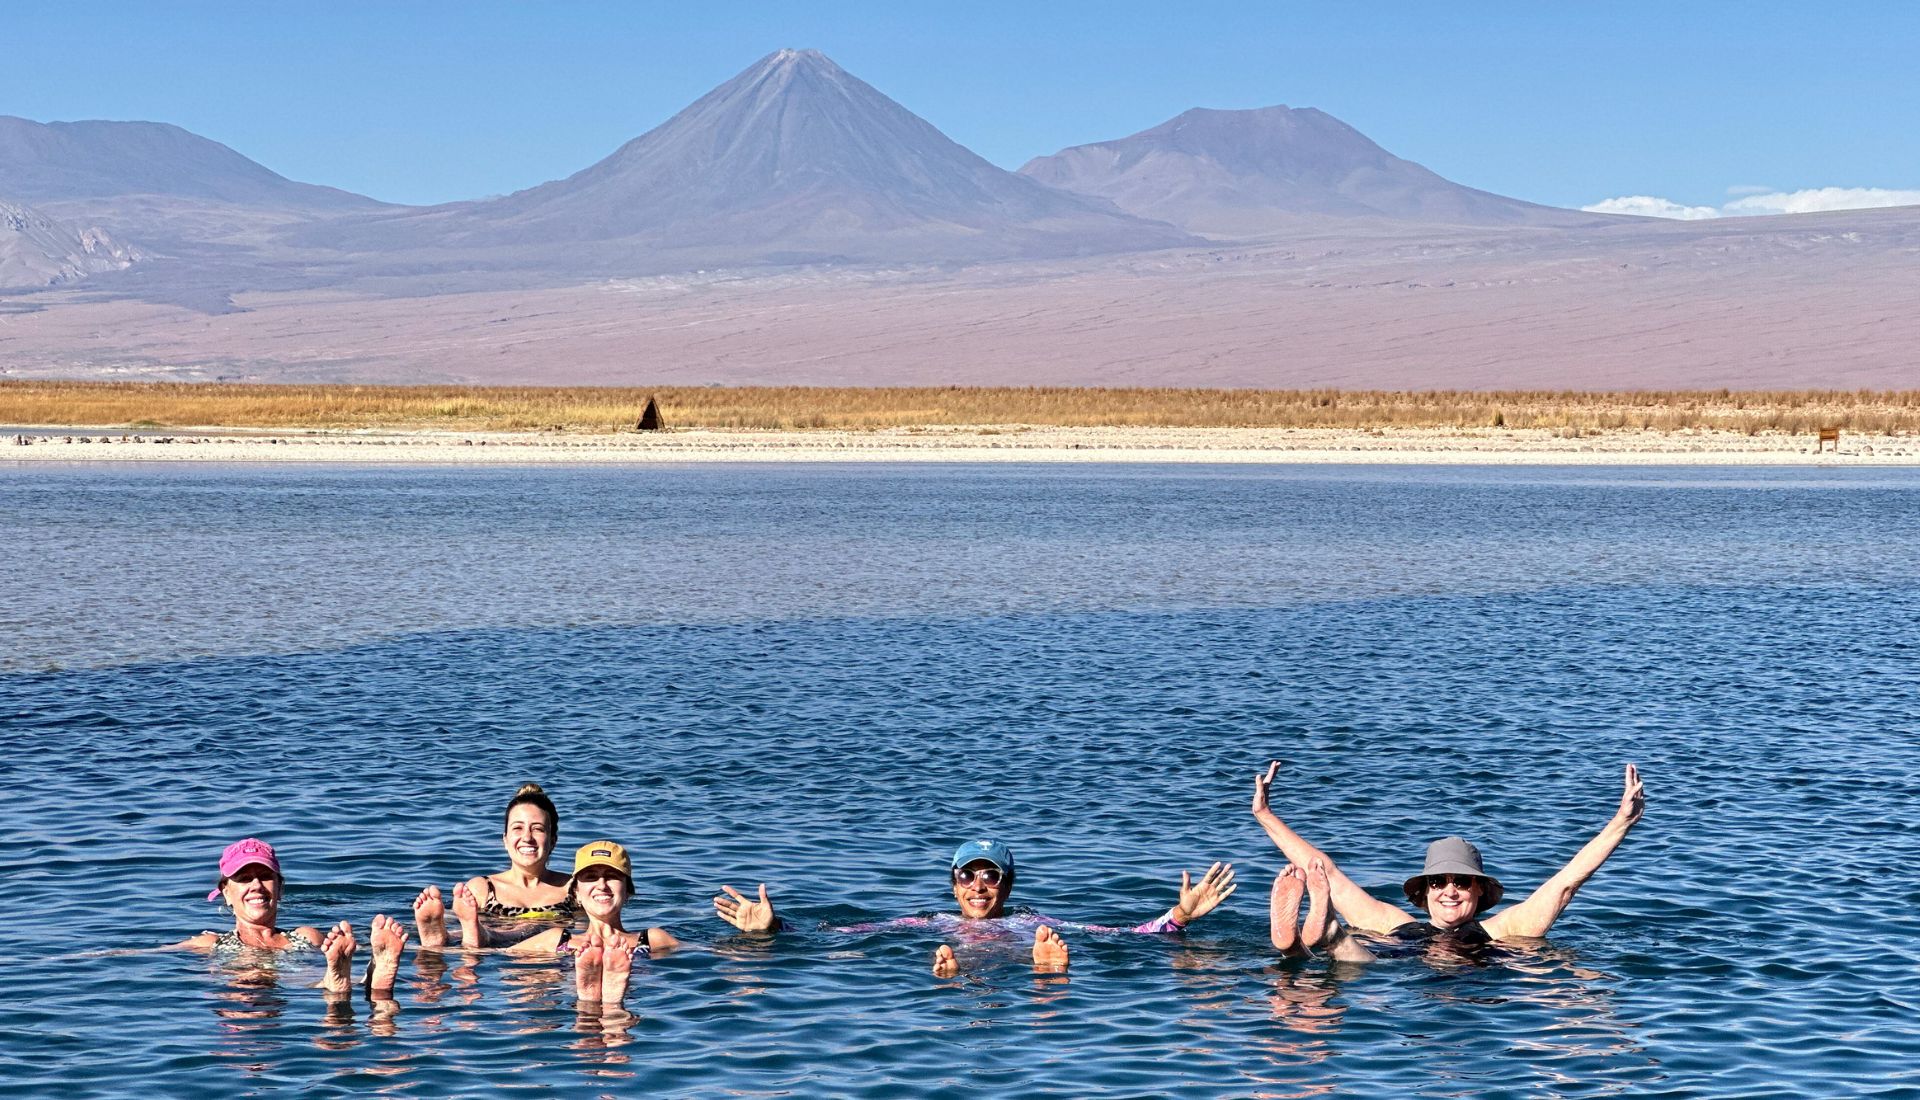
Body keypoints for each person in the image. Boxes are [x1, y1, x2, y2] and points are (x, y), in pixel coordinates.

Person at [1250, 760, 1646, 952]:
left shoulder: (1501, 928)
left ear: (1480, 890)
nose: (1449, 890)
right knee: (1359, 960)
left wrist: (1621, 822)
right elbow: (1327, 874)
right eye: (1438, 882)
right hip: (1413, 963)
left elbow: (1565, 884)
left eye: (1461, 881)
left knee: (1353, 959)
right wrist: (1266, 817)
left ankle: (1324, 936)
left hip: (1425, 967)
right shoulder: (1397, 923)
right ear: (1424, 891)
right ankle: (1325, 932)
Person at [712, 839, 1237, 977]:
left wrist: (1181, 917)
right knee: (949, 962)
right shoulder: (927, 922)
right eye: (969, 875)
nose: (980, 885)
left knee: (1037, 957)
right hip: (958, 950)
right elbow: (843, 934)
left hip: (1018, 953)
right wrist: (774, 928)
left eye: (992, 876)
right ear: (954, 884)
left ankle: (1044, 977)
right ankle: (1023, 979)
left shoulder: (1035, 923)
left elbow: (1122, 936)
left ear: (1007, 886)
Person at [172, 837, 409, 997]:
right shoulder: (211, 942)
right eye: (244, 878)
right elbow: (148, 954)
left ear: (280, 888)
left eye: (265, 876)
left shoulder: (305, 936)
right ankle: (358, 983)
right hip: (250, 987)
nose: (256, 885)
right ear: (226, 892)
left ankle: (360, 979)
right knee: (252, 976)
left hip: (299, 977)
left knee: (322, 979)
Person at [460, 840, 682, 1007]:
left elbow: (708, 952)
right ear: (576, 891)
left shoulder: (652, 938)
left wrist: (719, 936)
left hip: (622, 978)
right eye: (591, 877)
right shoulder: (557, 938)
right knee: (540, 983)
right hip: (577, 973)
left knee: (597, 1001)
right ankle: (599, 998)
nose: (602, 885)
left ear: (628, 891)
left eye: (612, 876)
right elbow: (498, 955)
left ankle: (605, 999)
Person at [413, 782, 574, 950]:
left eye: (538, 829)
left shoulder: (572, 888)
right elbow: (456, 919)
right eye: (518, 828)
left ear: (553, 840)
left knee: (540, 930)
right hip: (495, 946)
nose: (527, 838)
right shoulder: (483, 889)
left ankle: (480, 935)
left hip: (544, 950)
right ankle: (438, 936)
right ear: (505, 839)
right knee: (460, 934)